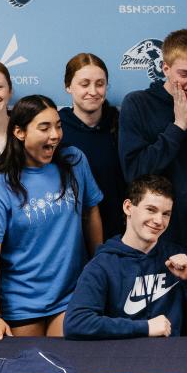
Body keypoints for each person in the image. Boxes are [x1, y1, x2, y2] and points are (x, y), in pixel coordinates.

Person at [119, 29, 187, 325]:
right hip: (155, 245)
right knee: (159, 329)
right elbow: (134, 173)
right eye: (184, 73)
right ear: (165, 68)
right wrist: (178, 128)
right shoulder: (137, 104)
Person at [0, 95, 103, 341]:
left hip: (70, 295)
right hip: (21, 302)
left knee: (68, 367)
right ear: (20, 132)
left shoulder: (74, 161)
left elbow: (91, 211)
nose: (55, 135)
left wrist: (99, 266)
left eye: (58, 125)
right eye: (44, 128)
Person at [64, 175, 187, 340]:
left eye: (166, 214)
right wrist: (145, 327)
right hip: (123, 360)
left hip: (172, 359)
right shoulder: (103, 264)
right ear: (128, 207)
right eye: (151, 209)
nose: (158, 220)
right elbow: (76, 323)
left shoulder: (178, 259)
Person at [60, 53, 126, 240]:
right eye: (84, 84)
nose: (93, 91)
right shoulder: (57, 129)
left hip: (118, 233)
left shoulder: (122, 126)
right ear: (68, 86)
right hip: (71, 235)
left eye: (100, 84)